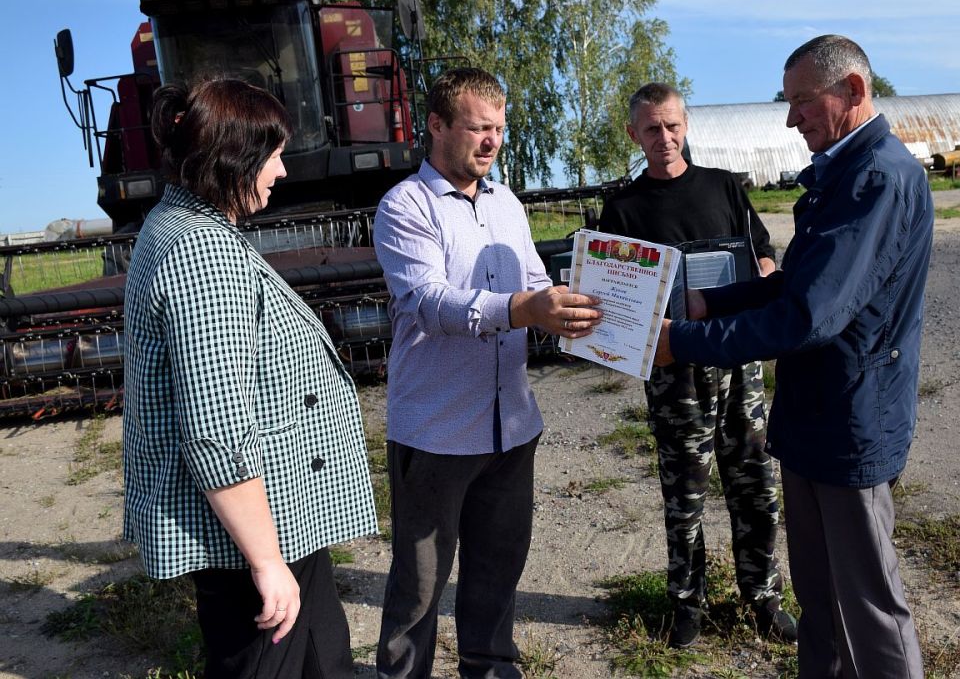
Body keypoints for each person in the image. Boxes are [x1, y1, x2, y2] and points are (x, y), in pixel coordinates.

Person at [657, 36, 931, 678]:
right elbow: (796, 283)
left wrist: (683, 343)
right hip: (815, 422)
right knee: (820, 600)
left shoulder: (876, 180)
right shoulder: (843, 173)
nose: (790, 118)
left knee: (869, 609)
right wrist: (709, 304)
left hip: (849, 424)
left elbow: (809, 316)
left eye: (802, 102)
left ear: (853, 91)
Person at [122, 78, 378, 679]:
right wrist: (265, 562)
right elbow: (215, 427)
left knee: (325, 659)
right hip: (248, 540)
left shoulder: (184, 227)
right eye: (274, 155)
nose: (282, 171)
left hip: (279, 522)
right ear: (235, 157)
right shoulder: (199, 252)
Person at [373, 67, 602, 678]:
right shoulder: (405, 207)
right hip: (437, 432)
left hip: (511, 428)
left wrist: (587, 309)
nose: (492, 141)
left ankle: (492, 670)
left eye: (500, 129)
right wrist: (527, 310)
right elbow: (430, 303)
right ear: (438, 125)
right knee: (418, 592)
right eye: (479, 128)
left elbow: (533, 282)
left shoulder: (506, 203)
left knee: (497, 577)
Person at [598, 82, 796, 649]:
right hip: (675, 369)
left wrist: (758, 267)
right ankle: (688, 604)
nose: (664, 138)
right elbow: (613, 292)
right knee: (684, 493)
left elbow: (761, 250)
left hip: (737, 360)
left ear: (687, 126)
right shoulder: (623, 208)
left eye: (673, 125)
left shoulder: (723, 187)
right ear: (634, 134)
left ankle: (763, 599)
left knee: (754, 483)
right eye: (652, 128)